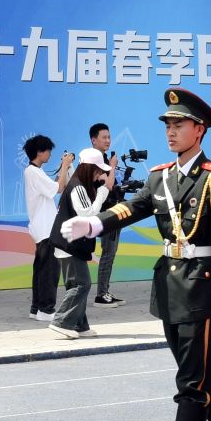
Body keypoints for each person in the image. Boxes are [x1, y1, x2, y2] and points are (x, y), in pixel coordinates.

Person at [73, 90, 211, 421]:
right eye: (168, 126)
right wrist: (94, 225)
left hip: (202, 287)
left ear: (199, 129)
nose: (171, 132)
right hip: (171, 286)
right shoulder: (160, 176)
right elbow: (133, 208)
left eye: (179, 125)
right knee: (204, 377)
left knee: (192, 384)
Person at [47, 148, 113, 338]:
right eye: (98, 170)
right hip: (70, 246)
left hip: (70, 245)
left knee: (76, 285)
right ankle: (61, 321)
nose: (100, 175)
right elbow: (88, 214)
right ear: (89, 168)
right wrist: (102, 195)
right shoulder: (78, 187)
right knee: (81, 285)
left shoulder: (79, 185)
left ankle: (79, 325)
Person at [21, 134, 73, 322]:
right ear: (39, 151)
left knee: (41, 270)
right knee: (49, 272)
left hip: (42, 228)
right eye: (48, 150)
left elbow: (57, 186)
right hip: (45, 229)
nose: (50, 153)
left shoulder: (35, 172)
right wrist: (65, 165)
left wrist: (63, 168)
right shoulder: (33, 172)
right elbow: (58, 189)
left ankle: (36, 308)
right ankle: (46, 309)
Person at [87, 122, 128, 306]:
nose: (108, 140)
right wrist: (112, 166)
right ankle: (101, 295)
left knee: (110, 253)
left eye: (109, 137)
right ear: (93, 140)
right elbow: (107, 185)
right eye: (104, 137)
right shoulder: (94, 161)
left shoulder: (103, 159)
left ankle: (104, 292)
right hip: (103, 214)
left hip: (111, 210)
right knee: (108, 253)